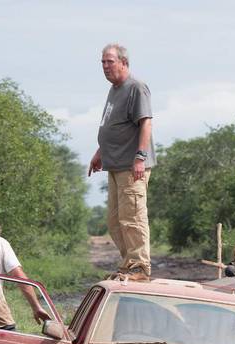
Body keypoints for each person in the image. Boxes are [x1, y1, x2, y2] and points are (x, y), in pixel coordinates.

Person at [88, 42, 156, 282]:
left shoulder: (136, 87)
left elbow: (145, 123)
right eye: (103, 62)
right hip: (115, 164)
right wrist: (100, 152)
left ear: (124, 63)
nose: (105, 66)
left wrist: (140, 157)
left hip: (132, 166)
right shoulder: (114, 89)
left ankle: (140, 267)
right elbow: (115, 127)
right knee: (115, 221)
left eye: (110, 62)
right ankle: (129, 264)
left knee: (133, 217)